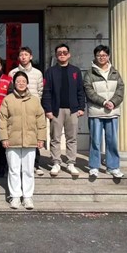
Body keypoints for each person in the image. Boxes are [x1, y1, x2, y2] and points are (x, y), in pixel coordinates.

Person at [0, 71, 46, 210]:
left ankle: (27, 197)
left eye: (23, 81)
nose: (21, 83)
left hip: (30, 140)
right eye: (18, 81)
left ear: (27, 83)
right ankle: (15, 196)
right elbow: (2, 120)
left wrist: (41, 138)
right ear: (14, 83)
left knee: (28, 170)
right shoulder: (8, 100)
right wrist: (4, 137)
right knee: (13, 170)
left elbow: (41, 120)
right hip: (12, 141)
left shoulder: (34, 101)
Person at [42, 43, 86, 177]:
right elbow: (46, 92)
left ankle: (71, 163)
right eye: (59, 53)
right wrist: (48, 109)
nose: (62, 54)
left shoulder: (75, 71)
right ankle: (56, 162)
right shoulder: (50, 72)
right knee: (55, 138)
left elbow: (80, 90)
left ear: (69, 54)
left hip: (73, 110)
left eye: (64, 52)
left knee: (71, 138)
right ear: (56, 55)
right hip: (56, 110)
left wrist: (81, 107)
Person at [83, 45, 125, 179]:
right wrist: (103, 102)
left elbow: (120, 90)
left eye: (104, 55)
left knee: (112, 141)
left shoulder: (115, 73)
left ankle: (113, 167)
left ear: (108, 56)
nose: (101, 58)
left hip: (112, 111)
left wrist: (113, 102)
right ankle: (94, 166)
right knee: (95, 141)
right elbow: (89, 91)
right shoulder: (90, 73)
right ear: (95, 57)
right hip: (96, 111)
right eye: (99, 55)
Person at [8, 47, 44, 176]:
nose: (23, 57)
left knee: (33, 135)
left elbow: (40, 91)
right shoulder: (12, 73)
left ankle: (35, 164)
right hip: (17, 108)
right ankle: (18, 166)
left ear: (31, 57)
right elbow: (10, 91)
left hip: (33, 109)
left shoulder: (37, 73)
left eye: (26, 54)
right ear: (18, 57)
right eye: (21, 55)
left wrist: (35, 104)